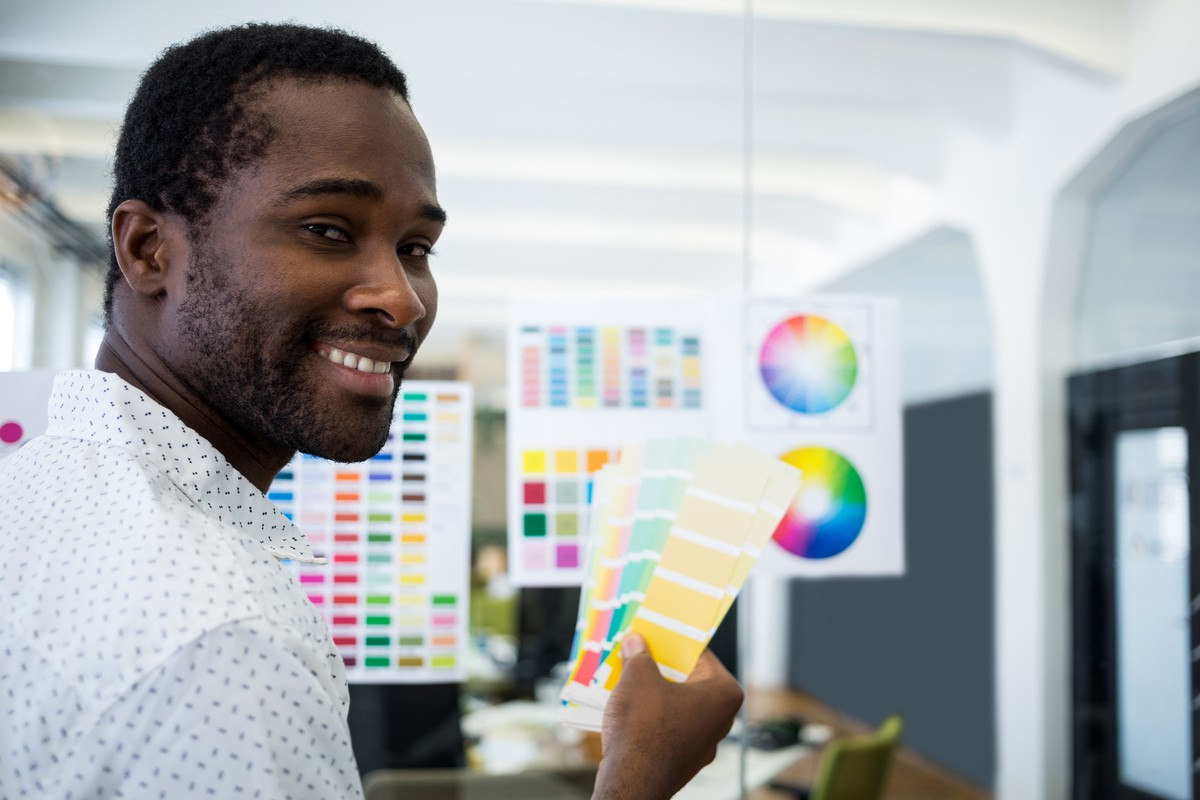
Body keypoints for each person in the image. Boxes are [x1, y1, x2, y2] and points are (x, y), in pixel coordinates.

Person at [0, 23, 743, 799]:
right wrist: (638, 778)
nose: (402, 297)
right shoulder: (221, 636)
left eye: (417, 247)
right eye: (327, 229)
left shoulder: (38, 498)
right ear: (149, 249)